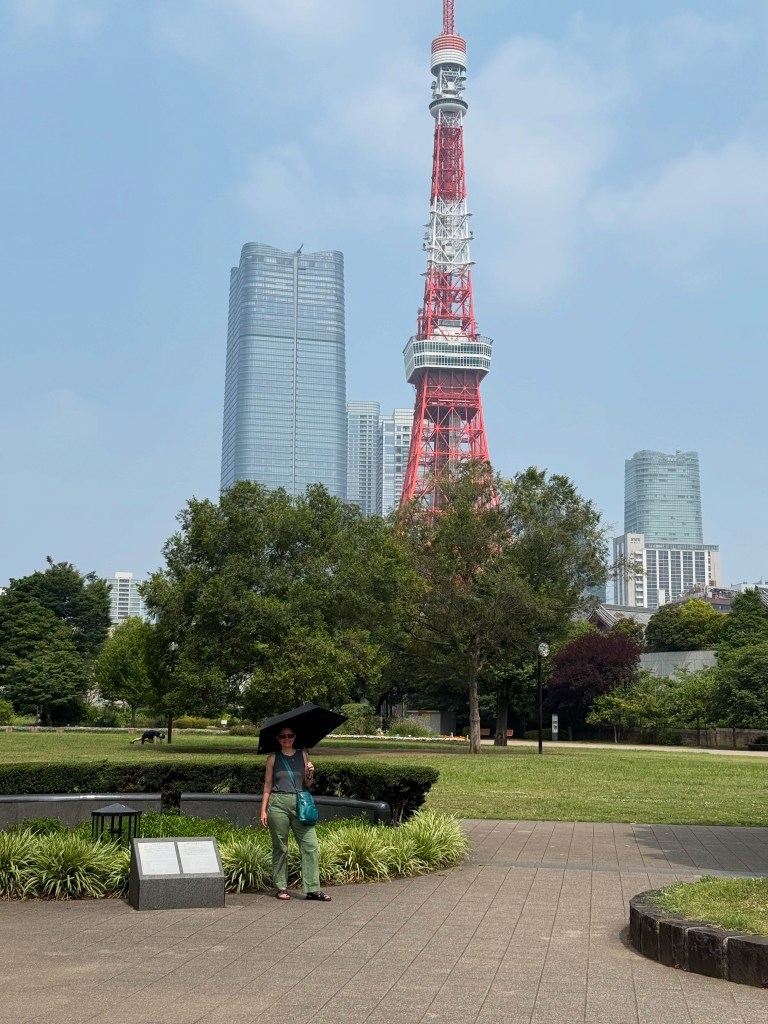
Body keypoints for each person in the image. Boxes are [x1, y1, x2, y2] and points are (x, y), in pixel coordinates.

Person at [260, 727, 331, 901]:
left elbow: (308, 783)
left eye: (290, 735)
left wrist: (310, 772)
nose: (287, 739)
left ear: (295, 737)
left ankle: (313, 889)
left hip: (301, 803)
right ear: (278, 739)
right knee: (280, 847)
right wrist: (263, 810)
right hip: (278, 804)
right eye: (283, 736)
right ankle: (281, 887)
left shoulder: (304, 755)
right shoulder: (273, 759)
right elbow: (268, 786)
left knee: (310, 845)